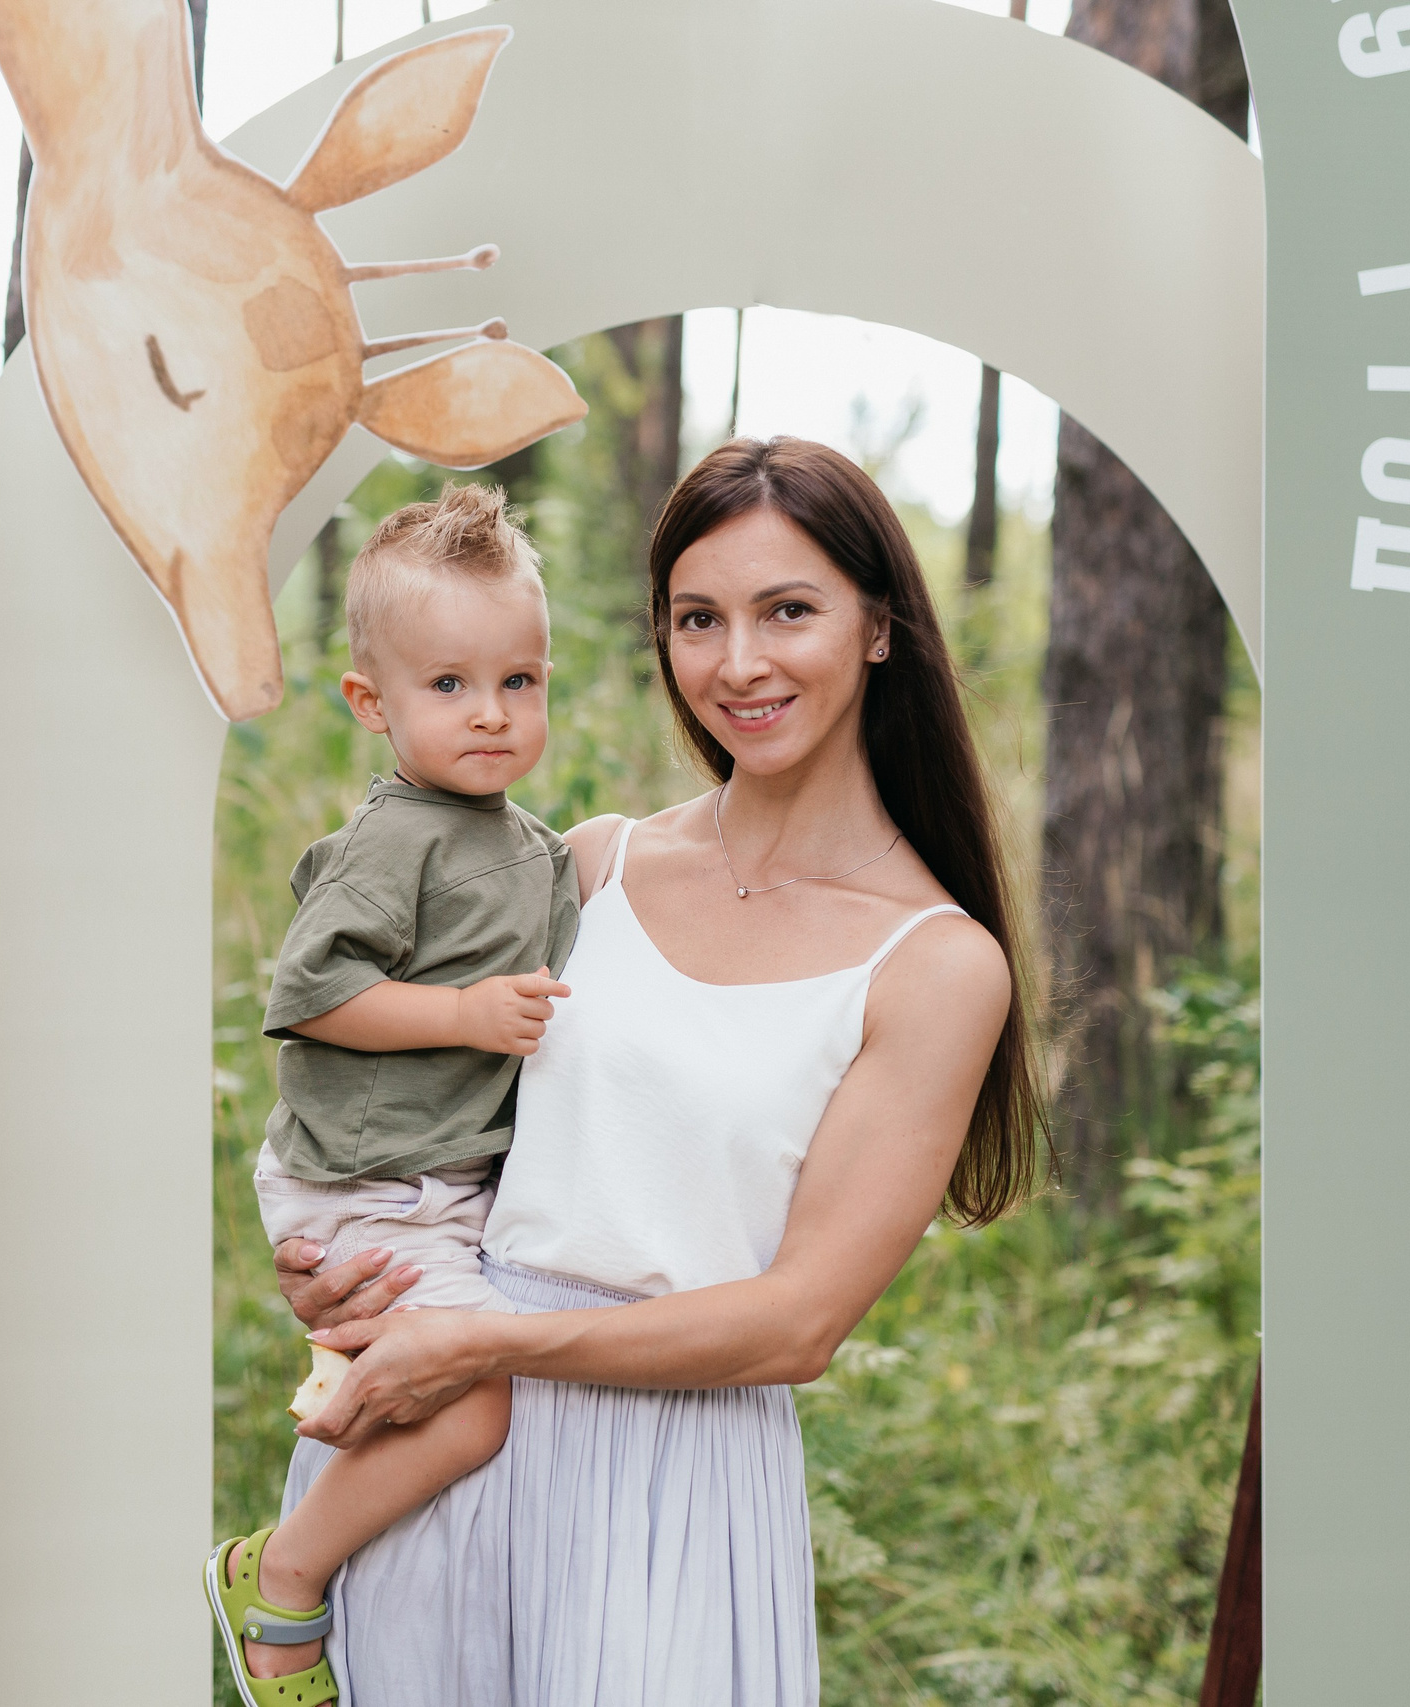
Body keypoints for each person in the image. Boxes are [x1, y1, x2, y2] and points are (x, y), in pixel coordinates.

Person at [267, 436, 1047, 1707]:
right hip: (442, 1451)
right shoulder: (587, 865)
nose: (737, 663)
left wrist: (485, 1343)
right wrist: (338, 1244)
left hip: (668, 1496)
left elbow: (796, 1325)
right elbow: (420, 1116)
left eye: (787, 610)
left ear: (878, 628)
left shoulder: (935, 965)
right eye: (698, 619)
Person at [205, 485, 581, 1707]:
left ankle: (330, 1470)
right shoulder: (396, 840)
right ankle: (281, 1583)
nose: (491, 714)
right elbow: (311, 992)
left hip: (431, 1178)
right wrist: (465, 1015)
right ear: (371, 703)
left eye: (517, 682)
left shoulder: (532, 845)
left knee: (403, 1394)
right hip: (362, 1169)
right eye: (450, 686)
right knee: (469, 1417)